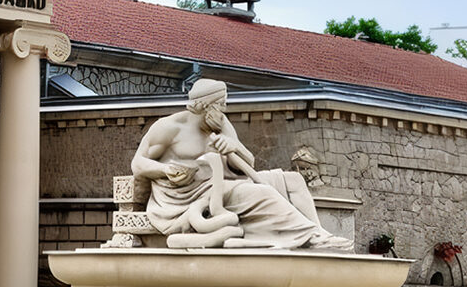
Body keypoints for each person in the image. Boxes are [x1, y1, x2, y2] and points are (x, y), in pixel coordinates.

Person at [130, 79, 350, 249]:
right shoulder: (169, 127)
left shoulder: (219, 123)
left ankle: (319, 234)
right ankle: (306, 234)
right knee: (261, 193)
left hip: (225, 183)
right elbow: (138, 164)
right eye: (221, 105)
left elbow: (248, 163)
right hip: (188, 196)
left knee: (293, 180)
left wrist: (233, 145)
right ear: (206, 105)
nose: (224, 111)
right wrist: (166, 169)